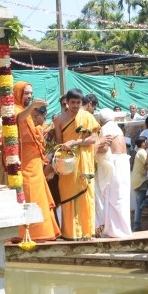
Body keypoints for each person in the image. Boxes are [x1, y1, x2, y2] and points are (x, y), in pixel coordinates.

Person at [13, 81, 59, 242]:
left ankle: (42, 231)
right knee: (29, 193)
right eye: (26, 93)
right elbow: (18, 119)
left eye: (31, 93)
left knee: (39, 194)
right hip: (25, 161)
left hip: (34, 161)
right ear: (18, 93)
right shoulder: (15, 109)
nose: (29, 96)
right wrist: (32, 106)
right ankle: (30, 233)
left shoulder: (25, 110)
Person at [54, 89, 100, 241]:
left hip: (84, 160)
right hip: (67, 161)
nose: (75, 105)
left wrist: (75, 142)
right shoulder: (59, 119)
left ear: (82, 103)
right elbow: (59, 143)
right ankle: (70, 233)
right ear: (66, 102)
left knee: (85, 194)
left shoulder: (87, 117)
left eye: (78, 102)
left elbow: (93, 139)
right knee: (67, 193)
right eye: (72, 102)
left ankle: (86, 231)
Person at [94, 109, 132, 238]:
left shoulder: (105, 128)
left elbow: (104, 148)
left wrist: (91, 148)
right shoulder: (117, 128)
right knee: (121, 197)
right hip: (123, 162)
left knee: (112, 197)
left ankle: (115, 230)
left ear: (100, 120)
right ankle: (121, 229)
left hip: (114, 163)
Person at [130, 136, 148, 232]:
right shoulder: (142, 152)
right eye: (147, 142)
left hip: (136, 181)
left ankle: (136, 225)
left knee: (138, 205)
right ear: (143, 143)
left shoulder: (139, 152)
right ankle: (145, 204)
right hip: (141, 180)